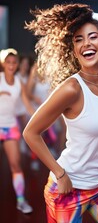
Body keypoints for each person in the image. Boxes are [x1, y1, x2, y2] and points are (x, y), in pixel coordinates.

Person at [23, 3, 98, 223]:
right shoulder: (72, 89)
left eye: (92, 37)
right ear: (74, 50)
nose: (86, 44)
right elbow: (30, 132)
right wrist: (60, 174)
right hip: (67, 189)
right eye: (78, 39)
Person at [0, 48, 34, 214]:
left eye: (14, 63)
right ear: (4, 64)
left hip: (10, 126)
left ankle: (21, 200)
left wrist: (38, 116)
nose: (11, 66)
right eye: (9, 62)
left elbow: (27, 103)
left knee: (16, 165)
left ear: (17, 65)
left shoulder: (20, 82)